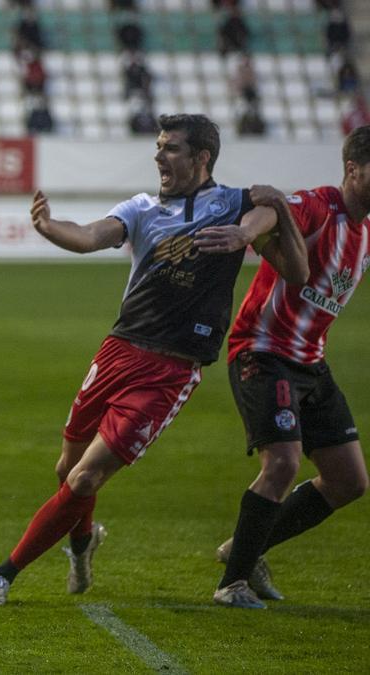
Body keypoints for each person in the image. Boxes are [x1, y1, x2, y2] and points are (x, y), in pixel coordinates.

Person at [0, 114, 309, 606]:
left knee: (85, 477)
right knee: (66, 468)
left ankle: (4, 574)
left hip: (170, 372)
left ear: (201, 158)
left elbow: (287, 248)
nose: (158, 156)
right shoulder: (142, 208)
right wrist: (48, 227)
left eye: (170, 148)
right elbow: (89, 236)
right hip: (117, 352)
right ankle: (83, 541)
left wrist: (253, 225)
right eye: (157, 147)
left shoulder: (234, 204)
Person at [213, 126, 370, 608]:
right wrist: (245, 232)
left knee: (349, 481)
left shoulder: (365, 230)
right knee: (282, 461)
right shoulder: (319, 205)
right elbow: (272, 209)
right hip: (263, 351)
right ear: (352, 169)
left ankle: (243, 547)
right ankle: (232, 583)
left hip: (310, 363)